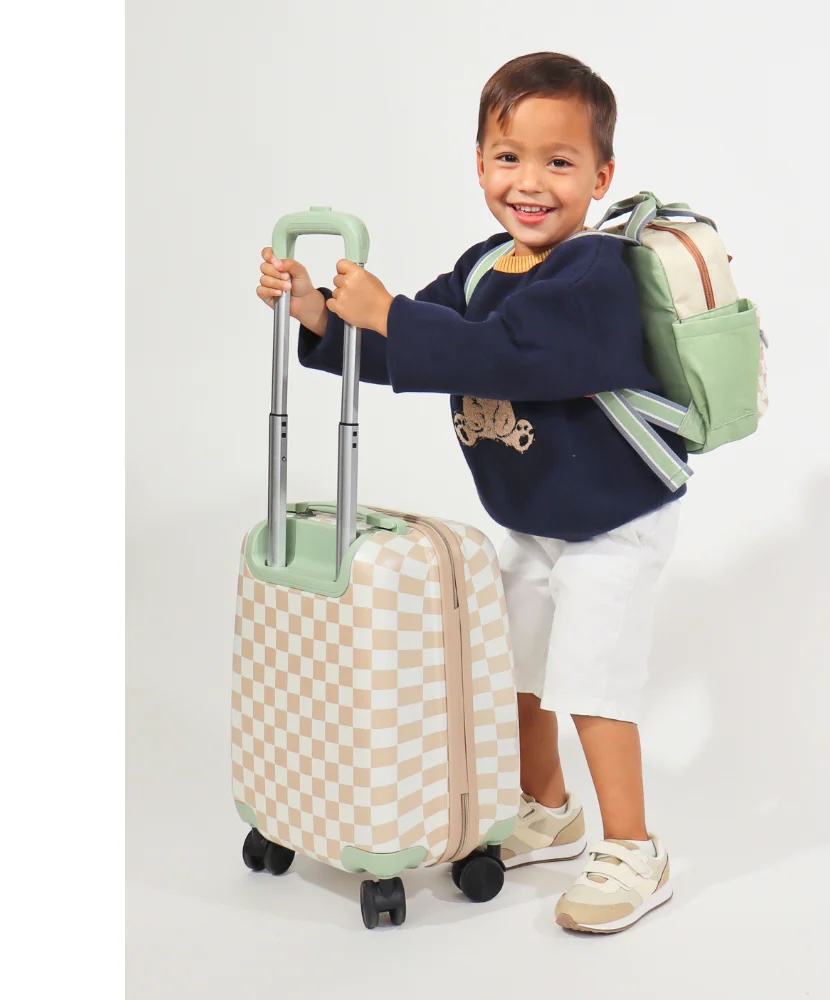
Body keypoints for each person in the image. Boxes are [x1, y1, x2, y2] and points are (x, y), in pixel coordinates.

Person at [255, 51, 684, 934]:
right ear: (480, 163)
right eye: (508, 157)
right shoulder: (487, 266)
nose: (530, 183)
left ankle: (634, 849)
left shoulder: (596, 274)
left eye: (559, 162)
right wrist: (323, 316)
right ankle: (548, 808)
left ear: (602, 177)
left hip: (614, 515)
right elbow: (415, 346)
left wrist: (392, 314)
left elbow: (509, 355)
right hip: (534, 511)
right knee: (518, 665)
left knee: (590, 678)